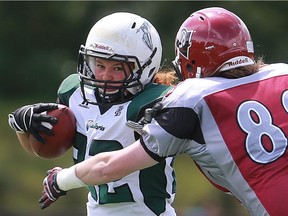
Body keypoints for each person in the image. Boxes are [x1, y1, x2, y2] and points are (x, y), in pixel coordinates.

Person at [8, 12, 177, 216]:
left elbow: (106, 168)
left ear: (144, 67)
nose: (106, 75)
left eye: (117, 67)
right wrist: (21, 127)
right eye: (99, 65)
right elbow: (43, 148)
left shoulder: (154, 104)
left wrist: (63, 180)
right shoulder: (75, 94)